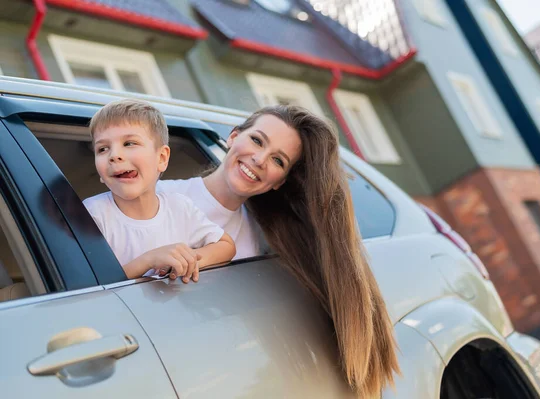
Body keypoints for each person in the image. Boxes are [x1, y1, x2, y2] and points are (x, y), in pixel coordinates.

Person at [157, 105, 400, 397]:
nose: (259, 160)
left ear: (279, 182)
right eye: (257, 140)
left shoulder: (265, 240)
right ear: (233, 137)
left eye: (278, 160)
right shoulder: (158, 197)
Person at [83, 99, 236, 282]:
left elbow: (226, 246)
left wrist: (186, 262)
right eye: (103, 149)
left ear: (162, 158)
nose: (114, 155)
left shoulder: (179, 207)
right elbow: (91, 282)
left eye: (129, 143)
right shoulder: (93, 214)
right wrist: (148, 260)